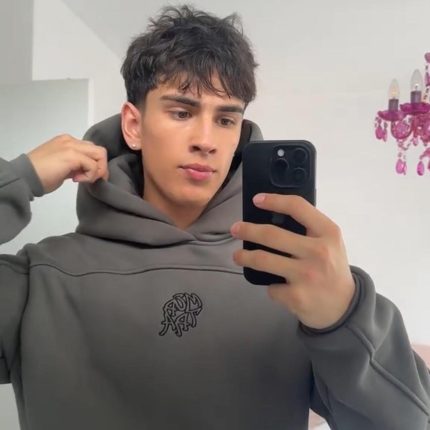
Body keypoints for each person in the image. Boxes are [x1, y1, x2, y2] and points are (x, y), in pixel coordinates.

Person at [0, 5, 429, 430]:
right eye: (181, 112)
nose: (206, 141)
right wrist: (20, 178)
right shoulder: (39, 279)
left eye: (225, 119)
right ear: (133, 125)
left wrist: (345, 316)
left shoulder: (293, 279)